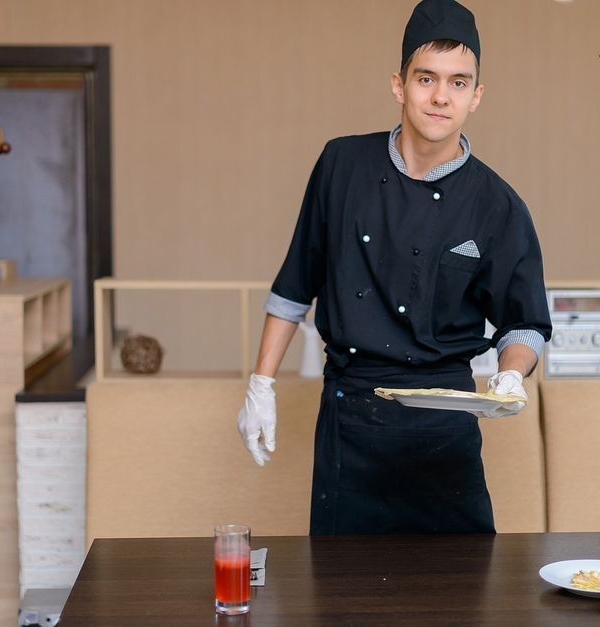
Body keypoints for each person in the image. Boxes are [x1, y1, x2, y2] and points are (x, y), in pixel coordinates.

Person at [236, 0, 552, 535]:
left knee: (459, 596)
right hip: (352, 415)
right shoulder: (341, 165)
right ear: (398, 84)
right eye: (426, 78)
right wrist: (260, 385)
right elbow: (295, 284)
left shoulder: (497, 205)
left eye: (457, 83)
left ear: (476, 96)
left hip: (447, 426)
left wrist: (510, 374)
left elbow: (524, 323)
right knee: (342, 600)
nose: (439, 96)